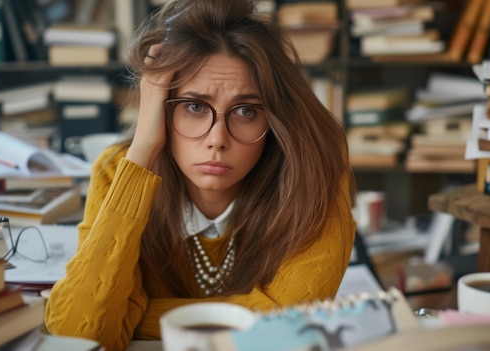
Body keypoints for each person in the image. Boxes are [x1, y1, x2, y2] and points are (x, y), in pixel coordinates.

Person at [44, 0, 356, 349]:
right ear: (161, 108)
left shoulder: (316, 172)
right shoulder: (118, 170)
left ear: (273, 120)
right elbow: (77, 334)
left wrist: (132, 314)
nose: (217, 140)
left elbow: (292, 321)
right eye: (194, 107)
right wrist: (145, 145)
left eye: (245, 111)